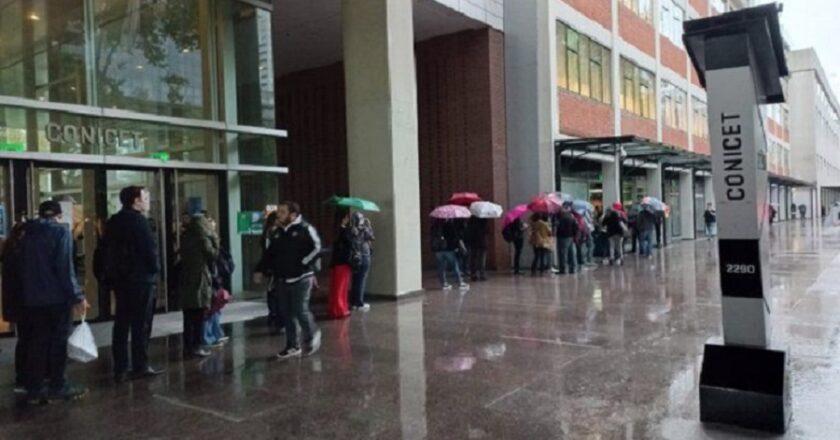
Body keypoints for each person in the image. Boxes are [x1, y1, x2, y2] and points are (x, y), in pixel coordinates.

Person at [19, 201, 89, 404]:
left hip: (33, 298)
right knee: (58, 342)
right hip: (57, 298)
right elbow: (64, 268)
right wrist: (77, 296)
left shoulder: (27, 234)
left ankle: (34, 388)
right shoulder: (61, 232)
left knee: (37, 342)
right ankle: (58, 384)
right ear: (59, 215)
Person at [104, 186, 164, 383]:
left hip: (121, 280)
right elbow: (148, 250)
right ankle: (140, 365)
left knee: (121, 323)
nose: (147, 201)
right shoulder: (139, 221)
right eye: (145, 197)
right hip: (140, 279)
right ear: (135, 201)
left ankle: (120, 367)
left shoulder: (114, 221)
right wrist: (155, 269)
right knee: (141, 324)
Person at [256, 201, 323, 359]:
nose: (278, 215)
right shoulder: (277, 232)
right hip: (282, 279)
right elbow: (269, 254)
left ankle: (312, 334)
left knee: (300, 310)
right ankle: (293, 345)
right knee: (286, 313)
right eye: (278, 212)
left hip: (302, 278)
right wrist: (260, 270)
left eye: (282, 212)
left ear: (293, 215)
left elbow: (317, 248)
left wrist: (304, 263)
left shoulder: (305, 228)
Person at [178, 212, 219, 358]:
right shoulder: (203, 238)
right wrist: (214, 236)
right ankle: (196, 346)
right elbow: (213, 254)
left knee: (188, 316)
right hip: (199, 279)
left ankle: (188, 346)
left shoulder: (185, 237)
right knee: (199, 315)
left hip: (186, 278)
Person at [2, 222, 27, 394]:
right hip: (24, 304)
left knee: (24, 340)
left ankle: (22, 376)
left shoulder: (9, 251)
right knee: (28, 340)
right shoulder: (20, 254)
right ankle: (25, 377)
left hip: (15, 304)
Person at [203, 215, 233, 348]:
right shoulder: (208, 243)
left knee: (215, 310)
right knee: (210, 310)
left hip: (215, 280)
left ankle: (215, 334)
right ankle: (209, 336)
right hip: (211, 280)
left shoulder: (211, 242)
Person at [261, 211, 284, 333]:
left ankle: (273, 313)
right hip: (274, 266)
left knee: (271, 290)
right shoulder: (273, 232)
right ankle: (275, 314)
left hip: (271, 266)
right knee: (274, 290)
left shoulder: (268, 231)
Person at [327, 209, 352, 319]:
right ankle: (341, 309)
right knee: (341, 287)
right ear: (344, 218)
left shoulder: (333, 230)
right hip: (343, 262)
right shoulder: (343, 231)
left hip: (335, 262)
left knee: (335, 287)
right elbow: (349, 244)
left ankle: (334, 308)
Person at [431, 219, 470, 290]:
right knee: (455, 266)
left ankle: (444, 284)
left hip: (438, 250)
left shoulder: (435, 226)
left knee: (441, 267)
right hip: (449, 249)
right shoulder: (450, 225)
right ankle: (460, 283)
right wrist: (458, 247)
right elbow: (455, 237)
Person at [349, 211, 374, 311]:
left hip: (355, 257)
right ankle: (359, 303)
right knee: (362, 279)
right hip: (364, 255)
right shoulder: (364, 229)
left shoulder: (351, 229)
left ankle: (353, 302)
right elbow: (372, 237)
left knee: (355, 280)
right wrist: (369, 225)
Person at [555, 206, 578, 274]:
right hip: (571, 237)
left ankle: (563, 269)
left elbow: (561, 228)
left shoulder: (562, 218)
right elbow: (576, 227)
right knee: (572, 253)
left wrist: (557, 226)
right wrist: (574, 235)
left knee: (563, 254)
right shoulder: (571, 216)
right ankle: (573, 269)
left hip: (563, 237)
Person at [466, 216, 489, 282]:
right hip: (482, 242)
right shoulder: (484, 220)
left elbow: (468, 231)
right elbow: (486, 231)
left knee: (473, 258)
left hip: (473, 242)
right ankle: (482, 274)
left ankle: (473, 274)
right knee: (482, 259)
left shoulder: (471, 220)